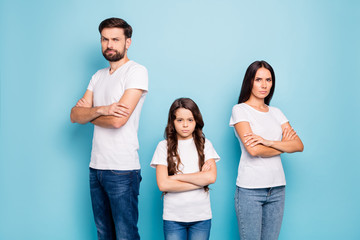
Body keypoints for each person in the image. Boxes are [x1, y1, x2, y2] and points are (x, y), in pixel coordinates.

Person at [70, 17, 148, 240]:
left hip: (122, 169)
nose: (109, 44)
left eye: (115, 39)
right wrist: (103, 109)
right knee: (104, 234)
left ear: (128, 42)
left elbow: (117, 121)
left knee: (125, 235)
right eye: (105, 39)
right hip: (96, 167)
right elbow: (74, 115)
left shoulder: (136, 71)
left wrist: (90, 113)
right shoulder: (98, 76)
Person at [229, 60, 304, 240]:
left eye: (268, 80)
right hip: (250, 190)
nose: (264, 85)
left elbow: (298, 145)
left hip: (277, 188)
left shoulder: (276, 112)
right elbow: (253, 150)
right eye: (258, 79)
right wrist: (282, 145)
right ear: (250, 81)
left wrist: (268, 142)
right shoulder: (240, 110)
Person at [151, 98, 220, 240]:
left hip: (201, 216)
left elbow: (211, 178)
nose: (185, 125)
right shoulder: (163, 147)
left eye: (190, 120)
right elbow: (163, 184)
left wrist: (175, 177)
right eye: (180, 120)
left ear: (196, 121)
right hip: (173, 217)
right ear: (172, 121)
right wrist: (199, 178)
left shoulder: (205, 144)